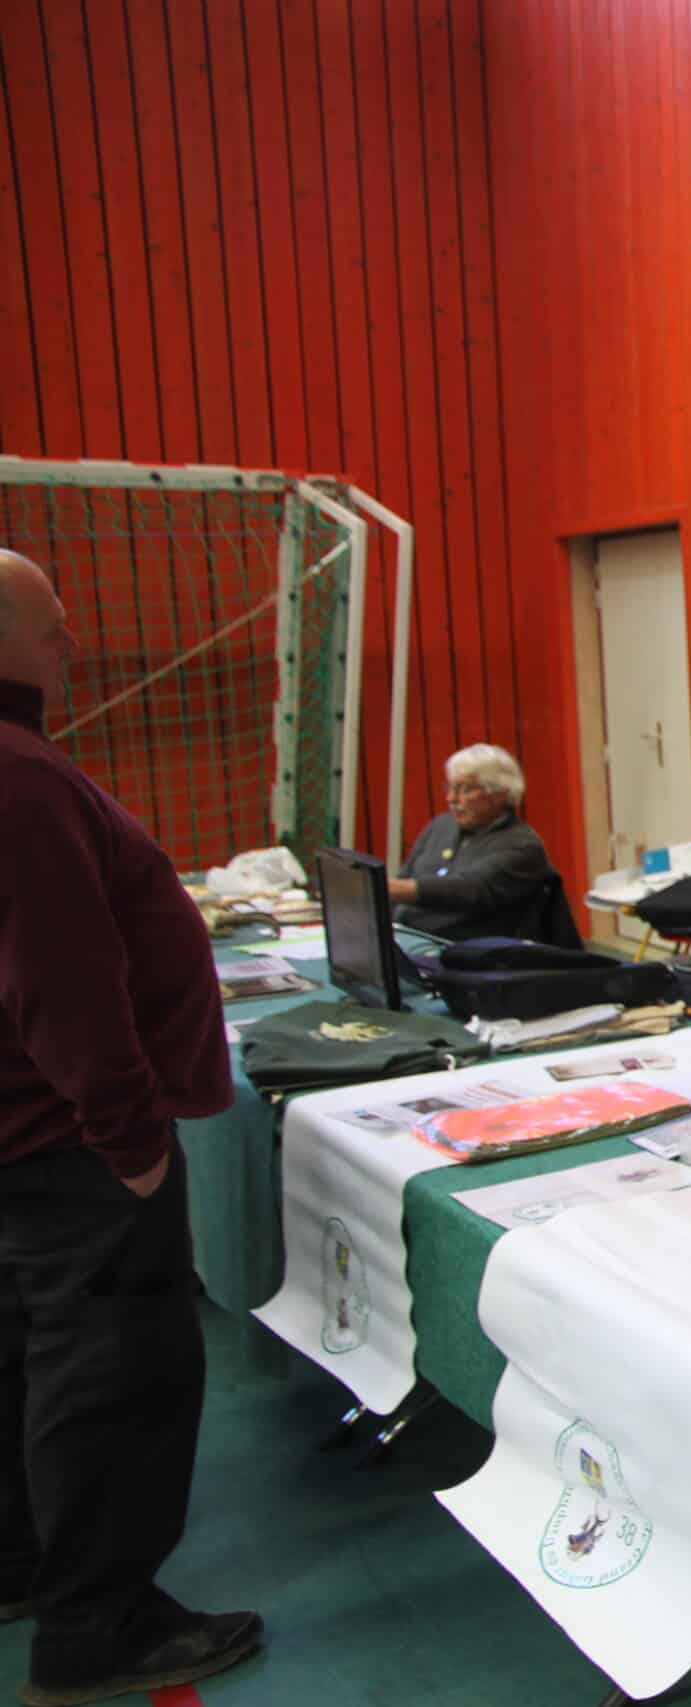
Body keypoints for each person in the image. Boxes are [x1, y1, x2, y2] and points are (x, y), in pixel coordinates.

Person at [0, 550, 264, 1704]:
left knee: (33, 1368)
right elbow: (65, 983)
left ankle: (31, 1571)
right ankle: (99, 1628)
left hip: (33, 1145)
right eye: (53, 625)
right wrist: (135, 1143)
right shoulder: (20, 780)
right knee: (115, 1381)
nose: (73, 646)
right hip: (72, 1151)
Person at [388, 743, 563, 941]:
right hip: (406, 937)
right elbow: (403, 878)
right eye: (450, 787)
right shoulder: (441, 826)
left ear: (500, 794)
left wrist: (393, 888)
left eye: (466, 789)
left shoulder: (522, 846)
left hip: (468, 954)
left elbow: (470, 889)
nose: (451, 798)